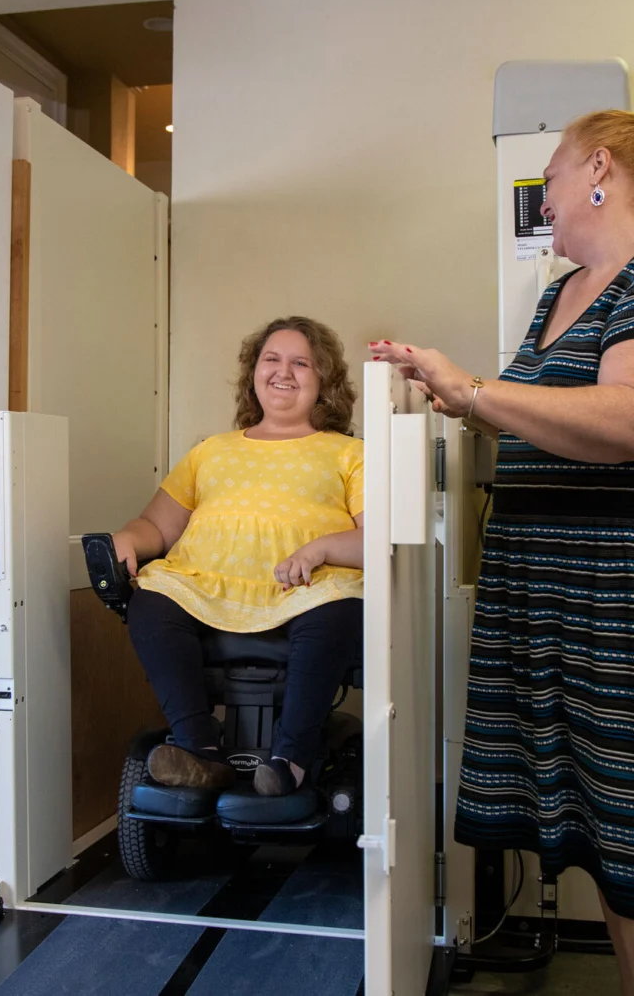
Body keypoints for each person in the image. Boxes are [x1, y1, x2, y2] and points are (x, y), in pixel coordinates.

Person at [370, 109, 634, 993]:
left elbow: (624, 420)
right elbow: (531, 413)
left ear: (599, 166)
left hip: (610, 595)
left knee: (631, 841)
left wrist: (474, 390)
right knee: (601, 838)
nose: (544, 198)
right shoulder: (560, 293)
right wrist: (447, 400)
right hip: (541, 586)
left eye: (552, 177)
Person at [113, 316, 364, 798]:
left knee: (338, 605)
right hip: (206, 587)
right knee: (151, 598)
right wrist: (128, 537)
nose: (282, 371)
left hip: (303, 590)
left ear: (325, 381)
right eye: (271, 359)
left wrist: (320, 548)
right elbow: (158, 527)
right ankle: (199, 753)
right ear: (253, 372)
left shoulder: (349, 453)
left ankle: (289, 759)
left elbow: (374, 540)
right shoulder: (211, 451)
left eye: (301, 362)